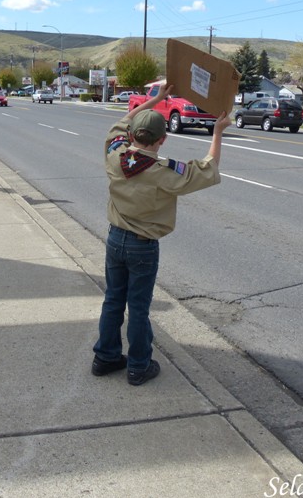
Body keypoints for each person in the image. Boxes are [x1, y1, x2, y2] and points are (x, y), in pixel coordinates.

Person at [92, 85, 232, 385]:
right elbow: (207, 168)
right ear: (162, 139)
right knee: (139, 308)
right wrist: (217, 131)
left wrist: (153, 100)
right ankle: (139, 366)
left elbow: (119, 125)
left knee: (113, 300)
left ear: (132, 136)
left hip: (115, 239)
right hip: (142, 247)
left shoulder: (115, 154)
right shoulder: (162, 171)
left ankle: (105, 357)